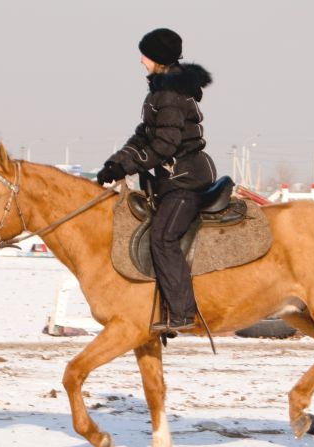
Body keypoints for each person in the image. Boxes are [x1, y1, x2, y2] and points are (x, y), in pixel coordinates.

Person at [96, 28, 217, 332]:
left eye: (146, 55)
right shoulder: (161, 92)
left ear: (158, 59)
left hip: (185, 180)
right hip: (173, 179)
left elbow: (164, 146)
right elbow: (143, 136)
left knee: (163, 237)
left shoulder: (169, 95)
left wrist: (127, 167)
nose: (141, 60)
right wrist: (115, 164)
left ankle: (181, 313)